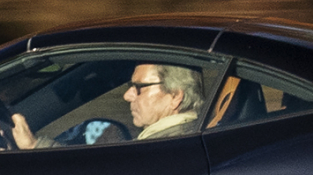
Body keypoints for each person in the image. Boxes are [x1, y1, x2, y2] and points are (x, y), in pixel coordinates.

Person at [11, 63, 203, 149]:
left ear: (175, 96)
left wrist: (34, 145)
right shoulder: (183, 137)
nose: (127, 95)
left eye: (139, 87)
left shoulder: (166, 146)